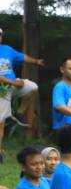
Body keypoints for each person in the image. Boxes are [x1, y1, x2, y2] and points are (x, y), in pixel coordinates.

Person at [0, 26, 44, 163]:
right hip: (2, 90)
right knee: (0, 123)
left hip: (13, 85)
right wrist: (13, 82)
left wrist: (36, 61)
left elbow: (22, 57)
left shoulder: (7, 49)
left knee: (32, 87)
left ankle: (19, 113)